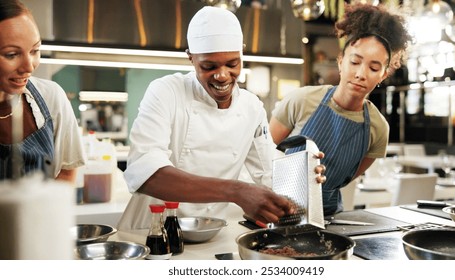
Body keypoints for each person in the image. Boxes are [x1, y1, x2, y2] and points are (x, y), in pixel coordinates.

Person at [118, 6, 325, 230]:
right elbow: (146, 174)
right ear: (191, 58)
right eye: (209, 66)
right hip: (153, 231)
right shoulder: (166, 92)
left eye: (232, 64)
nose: (222, 75)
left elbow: (268, 174)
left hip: (211, 231)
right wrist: (235, 191)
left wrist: (302, 178)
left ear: (242, 53)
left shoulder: (251, 107)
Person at [269, 3, 412, 216]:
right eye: (355, 62)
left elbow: (346, 178)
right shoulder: (300, 100)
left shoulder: (378, 128)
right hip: (275, 210)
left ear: (383, 75)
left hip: (330, 217)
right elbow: (262, 158)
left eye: (373, 68)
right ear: (340, 62)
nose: (361, 74)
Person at [0, 0, 85, 183]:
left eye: (35, 50)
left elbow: (66, 171)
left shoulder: (51, 97)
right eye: (11, 54)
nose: (28, 67)